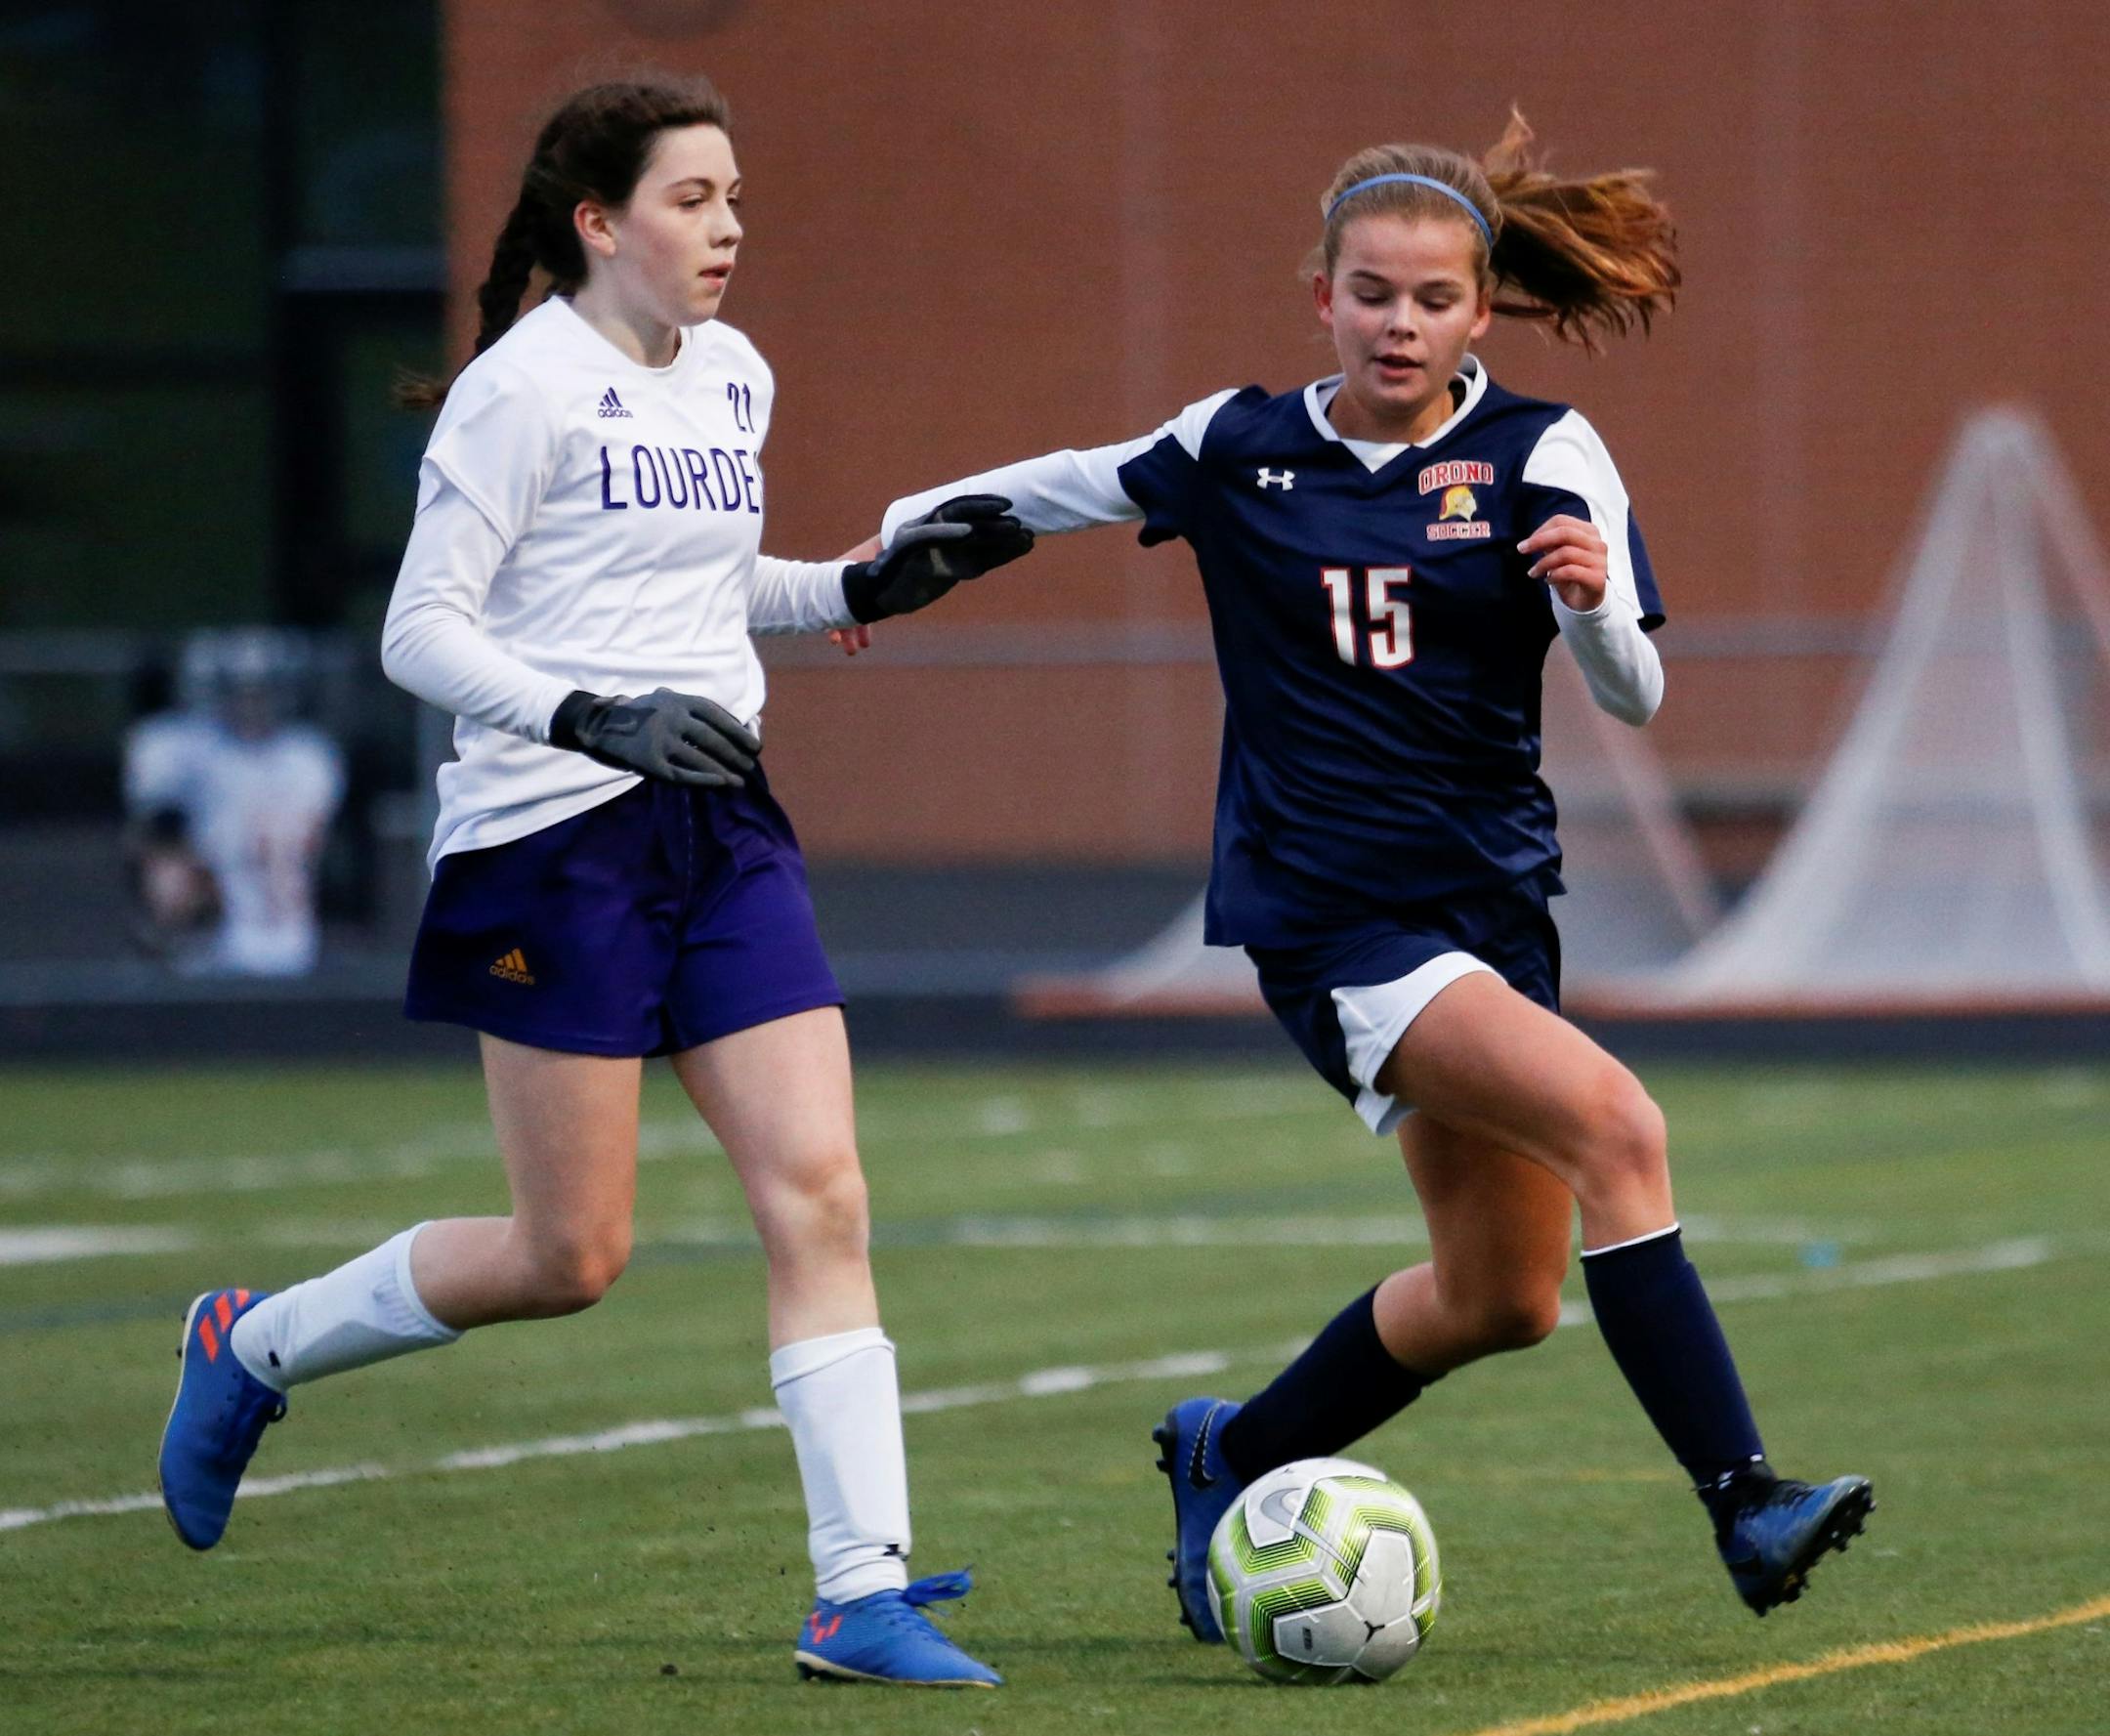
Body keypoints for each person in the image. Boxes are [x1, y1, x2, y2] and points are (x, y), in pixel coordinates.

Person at [874, 115, 1873, 1637]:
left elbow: (1633, 701)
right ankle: (1747, 1500)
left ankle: (1237, 1447)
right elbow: (1051, 490)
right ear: (1319, 295)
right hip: (1333, 915)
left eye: (1428, 299)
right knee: (1622, 1124)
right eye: (1369, 293)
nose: (1396, 323)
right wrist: (876, 560)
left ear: (1479, 312)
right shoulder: (1239, 445)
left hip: (1488, 909)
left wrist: (1596, 609)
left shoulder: (1544, 452)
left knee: (1500, 1299)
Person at [154, 75, 1032, 1690]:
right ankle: (249, 1342)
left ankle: (861, 1592)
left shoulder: (733, 376)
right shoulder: (521, 389)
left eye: (738, 200)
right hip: (548, 844)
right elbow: (422, 628)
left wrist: (858, 583)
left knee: (822, 1189)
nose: (728, 231)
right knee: (570, 1255)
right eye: (695, 200)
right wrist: (583, 714)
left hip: (723, 827)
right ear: (599, 219)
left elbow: (700, 589)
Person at [122, 628, 346, 977]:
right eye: (240, 692)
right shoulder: (181, 746)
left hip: (278, 933)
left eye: (261, 693)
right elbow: (158, 838)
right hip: (210, 933)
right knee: (167, 870)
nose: (251, 705)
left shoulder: (306, 756)